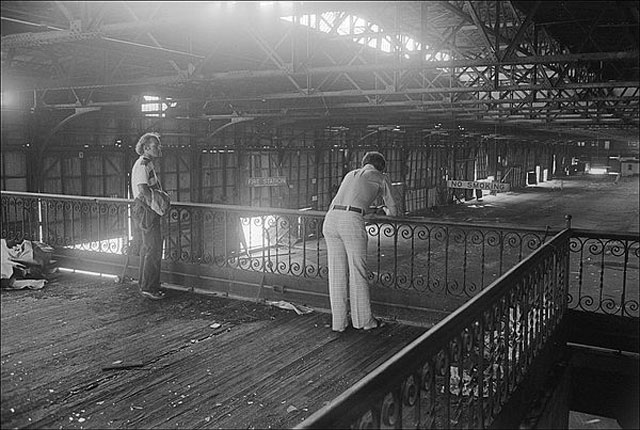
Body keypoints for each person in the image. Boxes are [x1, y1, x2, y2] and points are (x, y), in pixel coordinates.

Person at [322, 151, 398, 332]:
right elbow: (394, 209)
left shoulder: (351, 174)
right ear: (381, 166)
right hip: (351, 222)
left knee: (337, 273)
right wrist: (384, 212)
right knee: (357, 271)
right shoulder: (381, 177)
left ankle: (339, 323)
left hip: (331, 219)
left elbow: (353, 198)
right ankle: (363, 321)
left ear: (364, 163)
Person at [131, 132, 167, 300]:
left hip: (146, 208)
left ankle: (145, 284)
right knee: (153, 248)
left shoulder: (147, 164)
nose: (158, 149)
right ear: (146, 148)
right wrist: (157, 207)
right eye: (155, 146)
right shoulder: (142, 165)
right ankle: (149, 288)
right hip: (146, 209)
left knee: (148, 248)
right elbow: (143, 190)